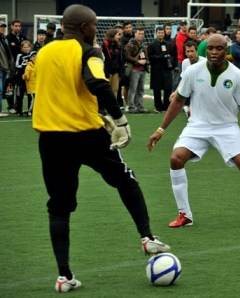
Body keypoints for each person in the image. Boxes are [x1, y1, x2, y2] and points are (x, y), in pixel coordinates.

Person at [32, 4, 170, 292]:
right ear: (84, 27)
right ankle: (147, 237)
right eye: (95, 24)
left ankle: (64, 276)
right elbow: (97, 82)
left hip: (50, 139)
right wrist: (119, 118)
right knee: (125, 179)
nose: (97, 29)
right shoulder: (88, 51)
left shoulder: (44, 52)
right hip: (86, 135)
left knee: (59, 207)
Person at [147, 34, 240, 232]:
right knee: (176, 159)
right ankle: (184, 214)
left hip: (227, 127)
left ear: (226, 50)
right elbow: (178, 101)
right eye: (210, 48)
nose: (214, 52)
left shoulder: (237, 75)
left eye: (219, 48)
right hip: (197, 126)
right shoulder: (193, 71)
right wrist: (161, 129)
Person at [148, 26, 176, 112]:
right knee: (157, 89)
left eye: (162, 33)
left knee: (168, 88)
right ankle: (158, 107)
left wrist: (170, 61)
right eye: (159, 33)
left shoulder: (168, 44)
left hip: (166, 69)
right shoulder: (152, 44)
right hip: (156, 70)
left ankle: (166, 106)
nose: (161, 34)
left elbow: (172, 55)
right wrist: (161, 57)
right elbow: (150, 57)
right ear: (156, 34)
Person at [124, 27, 148, 113]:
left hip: (142, 69)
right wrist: (138, 61)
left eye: (142, 34)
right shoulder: (130, 44)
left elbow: (145, 55)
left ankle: (140, 106)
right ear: (135, 34)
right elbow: (127, 56)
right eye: (139, 33)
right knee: (133, 89)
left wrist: (146, 61)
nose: (141, 35)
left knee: (141, 90)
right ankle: (131, 107)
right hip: (134, 69)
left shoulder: (143, 44)